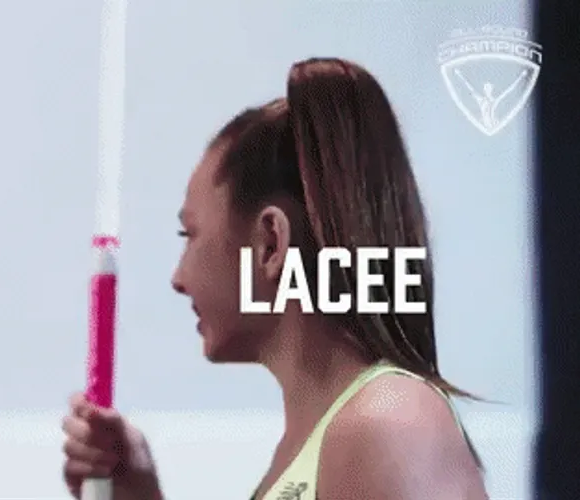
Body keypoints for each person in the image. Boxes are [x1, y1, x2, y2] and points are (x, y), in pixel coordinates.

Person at [61, 57, 488, 500]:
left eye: (190, 234)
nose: (178, 278)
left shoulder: (390, 419)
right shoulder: (320, 442)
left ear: (270, 243)